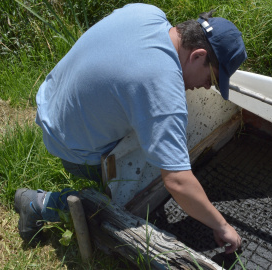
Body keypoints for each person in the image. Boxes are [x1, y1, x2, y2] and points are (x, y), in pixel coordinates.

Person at [13, 3, 247, 255]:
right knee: (111, 205)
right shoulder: (161, 88)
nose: (205, 87)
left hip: (52, 101)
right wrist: (221, 225)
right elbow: (177, 181)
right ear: (198, 55)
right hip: (70, 144)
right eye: (210, 79)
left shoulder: (146, 13)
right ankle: (39, 203)